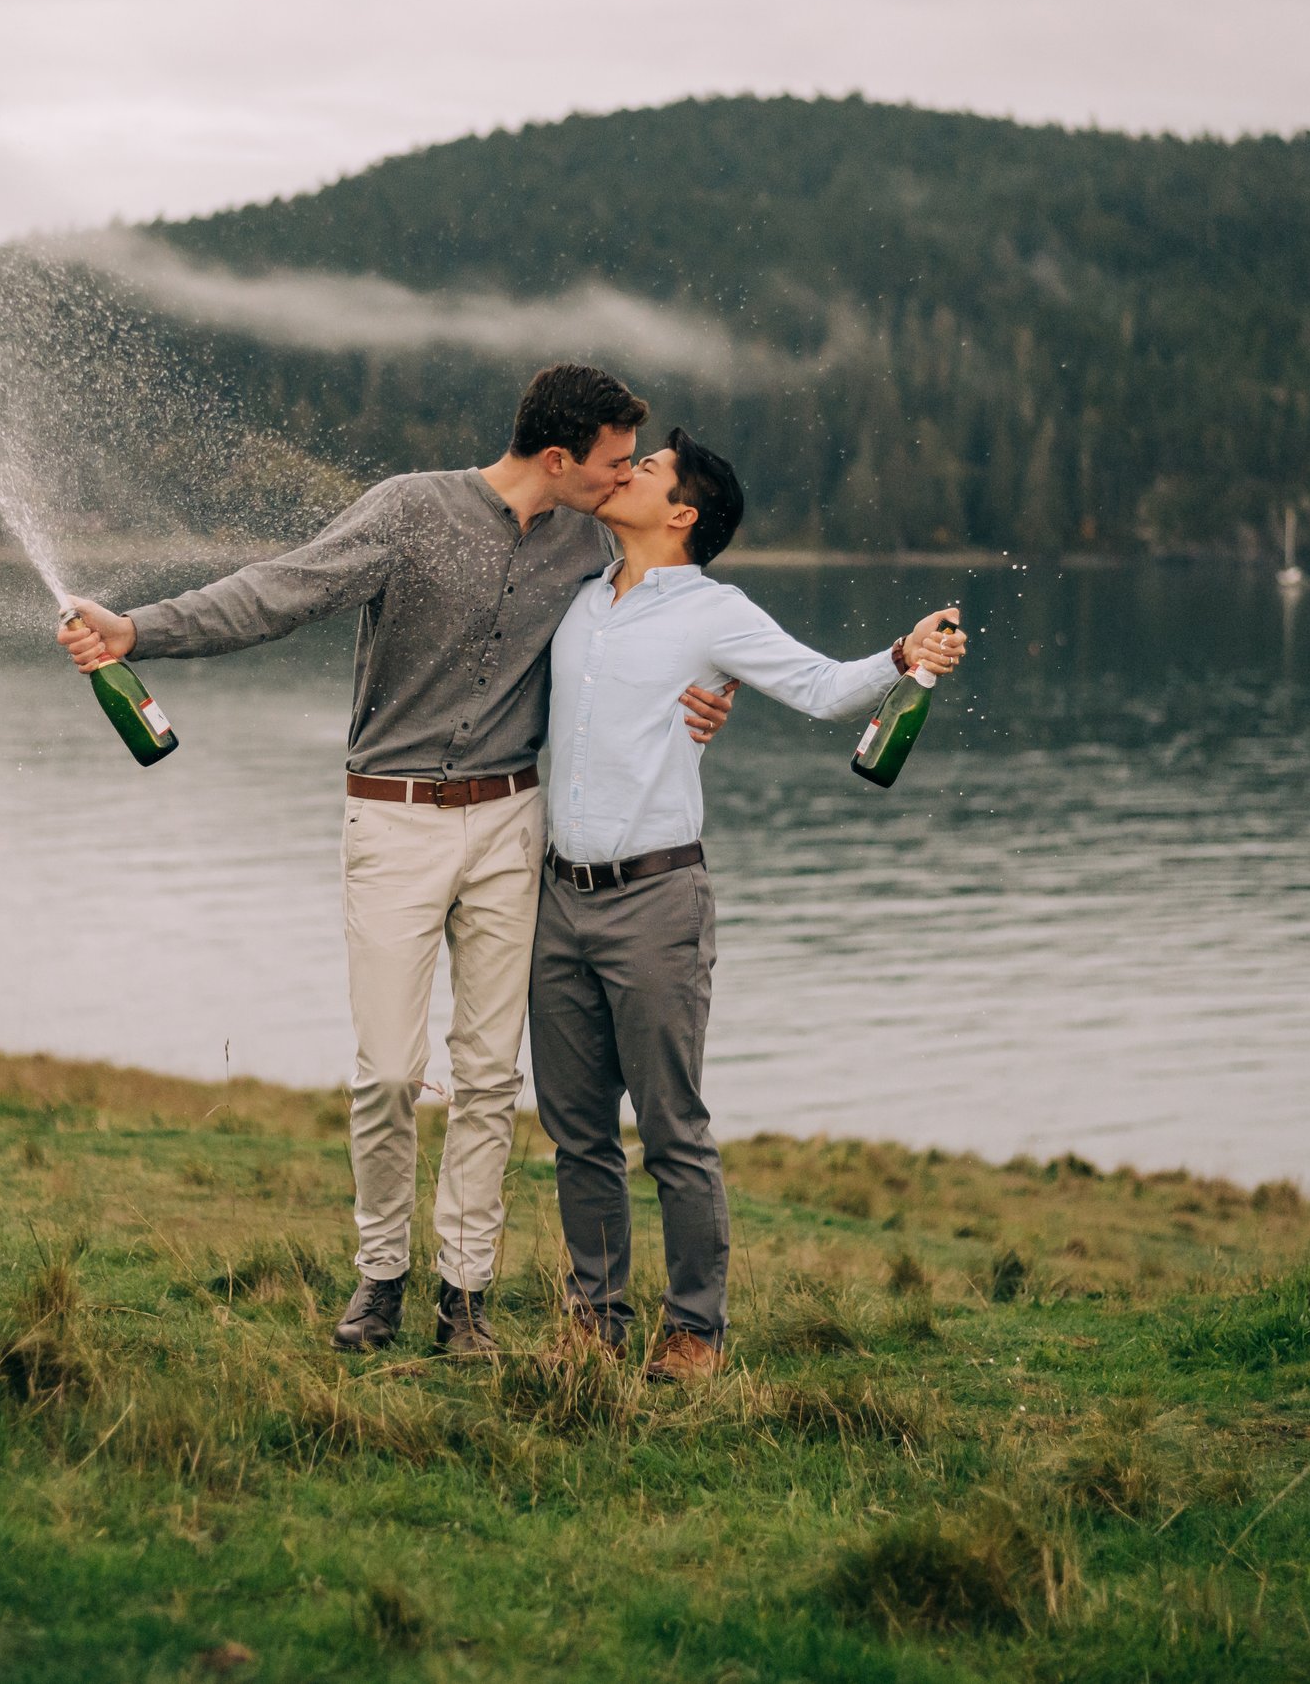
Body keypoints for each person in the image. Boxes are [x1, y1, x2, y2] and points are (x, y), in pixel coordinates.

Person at [56, 365, 735, 1356]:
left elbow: (673, 617)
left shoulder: (595, 544)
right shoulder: (409, 513)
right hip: (392, 820)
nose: (624, 478)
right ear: (560, 459)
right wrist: (139, 631)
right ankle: (380, 1277)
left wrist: (714, 692)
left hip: (511, 826)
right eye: (614, 461)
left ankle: (466, 1299)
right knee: (386, 1072)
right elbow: (276, 592)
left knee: (489, 1078)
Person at [530, 427, 962, 1380]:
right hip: (557, 901)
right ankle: (594, 1320)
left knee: (671, 1127)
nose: (626, 471)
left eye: (644, 468)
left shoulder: (716, 613)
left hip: (655, 900)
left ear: (681, 513)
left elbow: (819, 688)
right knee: (577, 1132)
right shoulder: (578, 597)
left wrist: (903, 653)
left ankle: (695, 1333)